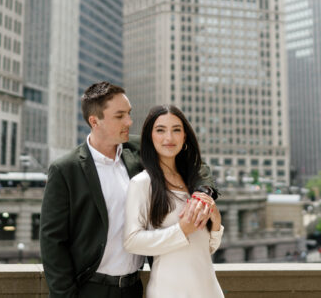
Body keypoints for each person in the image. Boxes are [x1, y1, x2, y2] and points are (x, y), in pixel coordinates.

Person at [40, 82, 214, 298]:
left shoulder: (139, 151)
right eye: (119, 116)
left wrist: (204, 192)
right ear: (95, 121)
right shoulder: (66, 169)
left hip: (134, 287)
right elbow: (52, 242)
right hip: (89, 288)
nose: (129, 122)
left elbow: (193, 163)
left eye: (129, 114)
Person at [123, 105, 223, 298]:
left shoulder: (192, 182)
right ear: (150, 137)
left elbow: (206, 248)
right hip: (169, 291)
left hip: (210, 290)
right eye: (160, 130)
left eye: (176, 130)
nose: (169, 138)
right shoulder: (142, 183)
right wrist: (181, 230)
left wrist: (216, 222)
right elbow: (132, 242)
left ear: (185, 136)